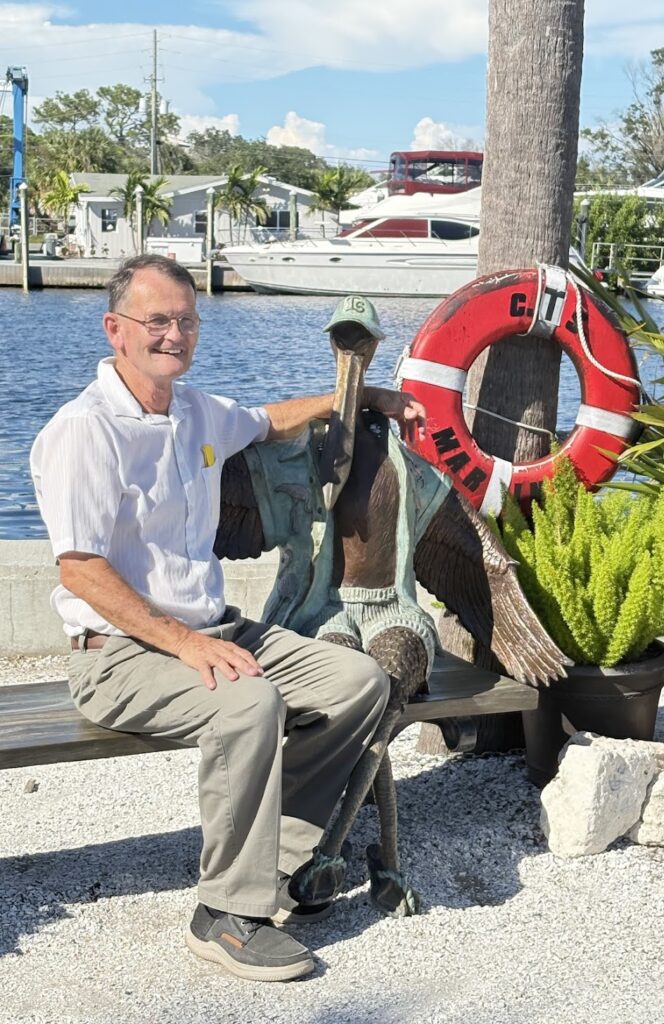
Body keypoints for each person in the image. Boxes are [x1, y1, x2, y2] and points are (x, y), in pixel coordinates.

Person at [29, 253, 427, 984]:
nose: (174, 334)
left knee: (359, 682)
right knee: (248, 703)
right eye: (157, 321)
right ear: (115, 329)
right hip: (119, 651)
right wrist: (183, 644)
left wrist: (366, 396)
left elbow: (269, 420)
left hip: (217, 628)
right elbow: (80, 568)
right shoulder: (83, 431)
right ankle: (223, 916)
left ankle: (279, 858)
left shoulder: (196, 411)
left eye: (186, 320)